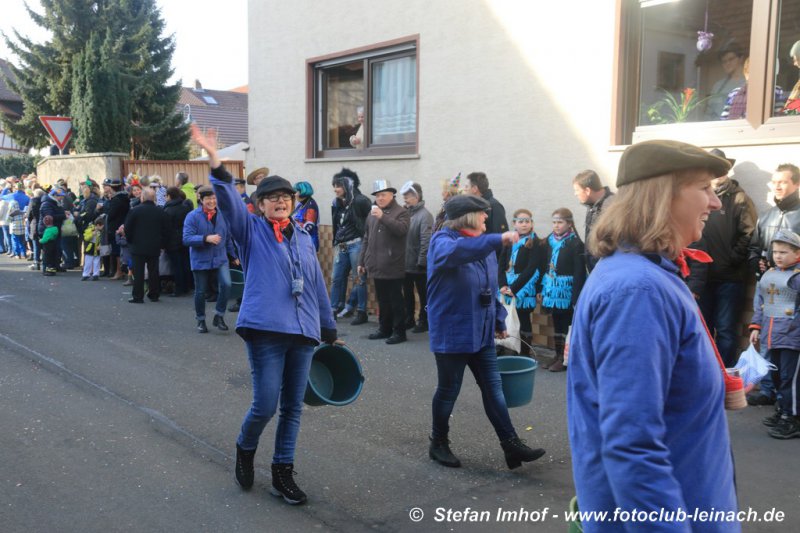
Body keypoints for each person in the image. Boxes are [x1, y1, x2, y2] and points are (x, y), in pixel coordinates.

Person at [567, 140, 738, 531]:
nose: (716, 203)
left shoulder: (645, 274)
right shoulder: (638, 290)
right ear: (663, 196)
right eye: (704, 188)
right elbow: (633, 445)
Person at [191, 125, 337, 506]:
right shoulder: (250, 230)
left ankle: (282, 472)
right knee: (266, 405)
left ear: (293, 202)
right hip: (266, 331)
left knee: (292, 408)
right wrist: (216, 161)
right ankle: (245, 447)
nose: (280, 202)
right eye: (272, 198)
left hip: (303, 333)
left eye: (285, 197)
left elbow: (316, 284)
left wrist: (328, 326)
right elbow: (228, 201)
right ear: (259, 205)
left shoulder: (303, 237)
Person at [427, 194, 546, 470]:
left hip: (481, 332)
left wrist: (499, 319)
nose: (486, 218)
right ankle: (438, 442)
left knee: (494, 388)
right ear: (468, 217)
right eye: (482, 214)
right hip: (453, 331)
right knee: (448, 390)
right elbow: (460, 252)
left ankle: (511, 445)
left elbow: (489, 289)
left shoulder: (482, 245)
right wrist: (498, 239)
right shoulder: (443, 242)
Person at [687, 149, 757, 368]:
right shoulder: (696, 195)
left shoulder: (739, 198)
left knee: (726, 329)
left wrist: (732, 259)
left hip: (729, 277)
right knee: (703, 328)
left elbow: (749, 233)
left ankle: (725, 374)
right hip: (701, 277)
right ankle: (706, 371)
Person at [747, 163, 800, 406]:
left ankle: (787, 399)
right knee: (767, 338)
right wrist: (757, 262)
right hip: (768, 287)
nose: (777, 186)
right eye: (774, 182)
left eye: (783, 182)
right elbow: (754, 247)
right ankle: (768, 390)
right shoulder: (766, 215)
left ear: (796, 184)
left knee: (788, 346)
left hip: (792, 290)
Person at [749, 229, 800, 439]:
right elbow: (762, 304)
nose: (778, 256)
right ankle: (783, 410)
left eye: (784, 252)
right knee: (778, 377)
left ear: (797, 253)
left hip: (792, 338)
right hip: (773, 336)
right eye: (776, 252)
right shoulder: (770, 274)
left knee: (790, 379)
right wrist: (756, 326)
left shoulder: (797, 277)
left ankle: (793, 418)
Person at [358, 179, 410, 344]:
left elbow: (401, 230)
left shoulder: (401, 212)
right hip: (375, 264)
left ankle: (399, 332)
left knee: (396, 301)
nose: (380, 198)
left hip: (393, 264)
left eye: (383, 195)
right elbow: (366, 238)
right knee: (383, 300)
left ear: (392, 195)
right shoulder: (372, 213)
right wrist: (361, 261)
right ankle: (384, 329)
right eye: (377, 195)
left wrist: (383, 217)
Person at [183, 186, 237, 333]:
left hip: (220, 257)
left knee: (226, 285)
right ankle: (200, 320)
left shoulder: (222, 215)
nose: (212, 201)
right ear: (201, 199)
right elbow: (186, 238)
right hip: (200, 259)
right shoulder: (192, 216)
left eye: (214, 198)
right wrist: (205, 238)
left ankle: (219, 316)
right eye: (208, 198)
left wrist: (233, 256)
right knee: (200, 291)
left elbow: (227, 238)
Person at [540, 208, 585, 372]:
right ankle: (557, 354)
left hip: (566, 291)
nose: (556, 225)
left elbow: (579, 272)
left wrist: (576, 297)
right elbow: (544, 265)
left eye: (560, 222)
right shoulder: (550, 241)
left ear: (569, 224)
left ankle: (565, 358)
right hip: (552, 290)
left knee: (565, 324)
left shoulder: (575, 244)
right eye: (554, 222)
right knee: (556, 321)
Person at [498, 209, 548, 356]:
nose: (524, 224)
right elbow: (501, 264)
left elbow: (532, 268)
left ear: (531, 223)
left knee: (523, 319)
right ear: (514, 224)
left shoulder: (535, 242)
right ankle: (509, 346)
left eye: (527, 221)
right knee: (507, 316)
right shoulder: (509, 241)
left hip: (524, 287)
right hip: (507, 285)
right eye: (521, 221)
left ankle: (524, 353)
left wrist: (514, 288)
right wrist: (502, 285)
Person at [330, 168, 372, 325]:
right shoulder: (337, 202)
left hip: (356, 244)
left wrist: (368, 244)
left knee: (359, 279)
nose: (335, 189)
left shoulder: (361, 201)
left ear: (348, 185)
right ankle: (333, 310)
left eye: (338, 186)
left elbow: (370, 222)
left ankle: (361, 312)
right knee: (336, 278)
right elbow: (337, 225)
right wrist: (335, 241)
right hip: (341, 245)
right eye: (334, 186)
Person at [123, 187, 169, 304]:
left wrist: (130, 241)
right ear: (154, 198)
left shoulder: (135, 210)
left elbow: (127, 228)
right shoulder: (160, 211)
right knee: (154, 271)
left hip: (137, 246)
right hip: (154, 246)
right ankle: (154, 294)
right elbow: (166, 230)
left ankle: (138, 296)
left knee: (138, 272)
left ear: (142, 197)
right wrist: (162, 244)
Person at [400, 181, 433, 333]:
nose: (405, 199)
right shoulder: (405, 213)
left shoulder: (425, 215)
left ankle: (424, 321)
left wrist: (422, 261)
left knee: (423, 294)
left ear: (417, 197)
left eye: (407, 196)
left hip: (419, 265)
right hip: (405, 262)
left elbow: (426, 241)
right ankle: (409, 319)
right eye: (404, 197)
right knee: (407, 294)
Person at [572, 169, 614, 272]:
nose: (575, 194)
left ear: (587, 190)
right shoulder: (592, 205)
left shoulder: (612, 207)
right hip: (595, 269)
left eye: (577, 190)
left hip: (607, 270)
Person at [96, 177, 130, 280]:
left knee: (116, 251)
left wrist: (104, 209)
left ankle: (119, 271)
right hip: (122, 225)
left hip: (115, 227)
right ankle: (120, 271)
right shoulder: (125, 198)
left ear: (112, 187)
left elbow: (111, 214)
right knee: (120, 250)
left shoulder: (116, 200)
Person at [163, 186, 193, 297]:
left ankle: (179, 288)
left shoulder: (168, 210)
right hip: (185, 239)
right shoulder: (185, 207)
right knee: (185, 263)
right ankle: (187, 286)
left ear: (169, 196)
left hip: (172, 241)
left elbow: (166, 228)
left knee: (176, 266)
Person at [705, 43, 746, 120]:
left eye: (731, 59)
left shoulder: (749, 84)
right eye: (724, 61)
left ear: (741, 58)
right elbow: (708, 113)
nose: (727, 63)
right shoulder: (718, 86)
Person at [38, 187, 67, 274]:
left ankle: (55, 266)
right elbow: (49, 218)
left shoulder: (55, 203)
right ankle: (47, 269)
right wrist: (63, 216)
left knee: (56, 249)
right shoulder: (47, 204)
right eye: (60, 196)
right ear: (54, 195)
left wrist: (64, 213)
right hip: (47, 230)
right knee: (48, 251)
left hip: (54, 229)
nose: (61, 198)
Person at [292, 181, 319, 252]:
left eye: (296, 192)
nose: (294, 194)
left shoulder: (311, 205)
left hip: (308, 243)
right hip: (300, 241)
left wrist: (295, 228)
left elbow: (309, 225)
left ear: (302, 192)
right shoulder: (301, 205)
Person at [81, 215, 105, 281]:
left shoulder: (101, 232)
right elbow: (86, 238)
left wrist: (100, 245)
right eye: (102, 226)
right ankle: (85, 275)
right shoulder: (90, 229)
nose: (102, 228)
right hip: (90, 248)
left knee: (97, 262)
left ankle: (96, 275)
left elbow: (102, 240)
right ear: (98, 225)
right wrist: (92, 234)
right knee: (88, 262)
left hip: (97, 248)